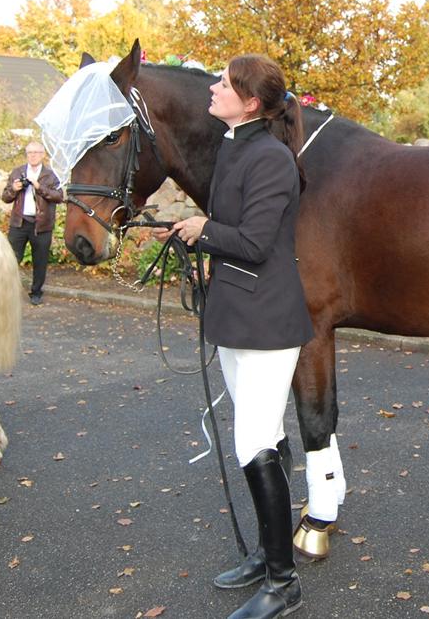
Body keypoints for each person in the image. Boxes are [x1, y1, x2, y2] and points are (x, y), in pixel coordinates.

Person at [154, 54, 313, 619]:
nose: (214, 87)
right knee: (263, 434)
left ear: (250, 102)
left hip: (267, 322)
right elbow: (233, 240)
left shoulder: (269, 157)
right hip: (237, 315)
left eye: (224, 82)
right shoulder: (235, 145)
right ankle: (270, 554)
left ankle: (283, 581)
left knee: (253, 443)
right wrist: (202, 250)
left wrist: (204, 232)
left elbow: (255, 242)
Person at [1, 141, 64, 305]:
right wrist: (14, 189)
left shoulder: (50, 175)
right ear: (26, 155)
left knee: (40, 261)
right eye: (30, 153)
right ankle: (8, 292)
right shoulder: (18, 172)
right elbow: (5, 197)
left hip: (42, 224)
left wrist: (38, 186)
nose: (33, 155)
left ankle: (36, 292)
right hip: (19, 222)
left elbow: (58, 196)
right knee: (11, 259)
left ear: (43, 155)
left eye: (36, 152)